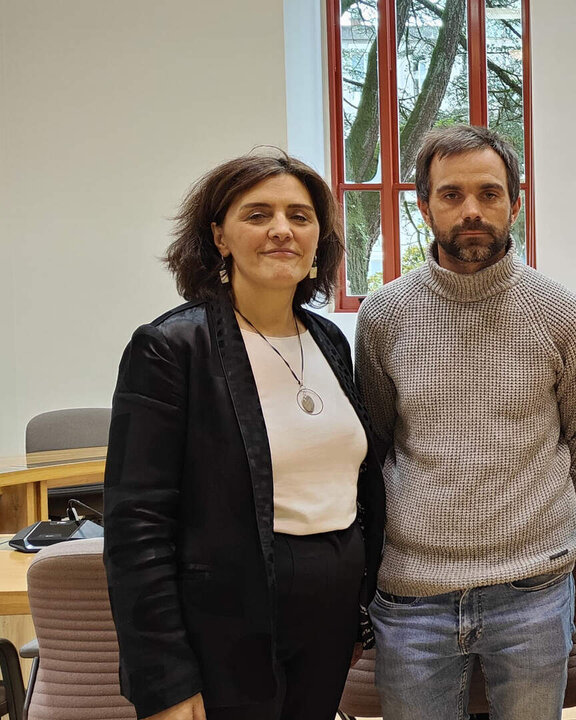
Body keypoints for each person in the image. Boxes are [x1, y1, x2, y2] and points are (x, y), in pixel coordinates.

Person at [104, 151, 386, 720]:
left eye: (300, 216)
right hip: (225, 622)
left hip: (329, 619)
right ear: (219, 237)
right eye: (258, 215)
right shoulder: (170, 349)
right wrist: (165, 679)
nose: (282, 230)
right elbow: (137, 526)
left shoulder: (329, 340)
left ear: (319, 240)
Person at [355, 124, 576, 720]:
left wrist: (530, 517)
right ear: (424, 206)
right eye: (451, 195)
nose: (471, 211)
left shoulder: (561, 315)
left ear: (515, 203)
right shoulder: (384, 315)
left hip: (532, 592)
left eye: (489, 194)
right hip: (412, 594)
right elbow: (379, 442)